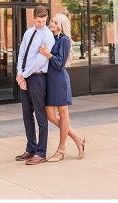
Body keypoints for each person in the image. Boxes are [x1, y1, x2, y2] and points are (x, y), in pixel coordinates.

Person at [39, 13, 86, 161]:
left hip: (59, 80)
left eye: (54, 22)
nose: (51, 23)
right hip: (49, 80)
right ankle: (77, 138)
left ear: (61, 25)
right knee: (50, 116)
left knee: (63, 113)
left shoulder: (64, 40)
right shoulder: (51, 38)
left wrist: (48, 54)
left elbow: (59, 63)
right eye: (51, 21)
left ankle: (61, 150)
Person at [14, 4, 55, 165]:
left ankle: (41, 152)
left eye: (44, 21)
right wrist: (19, 75)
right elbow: (22, 54)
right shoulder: (28, 33)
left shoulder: (48, 36)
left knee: (40, 115)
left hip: (37, 78)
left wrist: (23, 75)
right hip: (24, 77)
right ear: (34, 18)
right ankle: (31, 148)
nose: (42, 24)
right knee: (26, 114)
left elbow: (40, 60)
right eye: (39, 21)